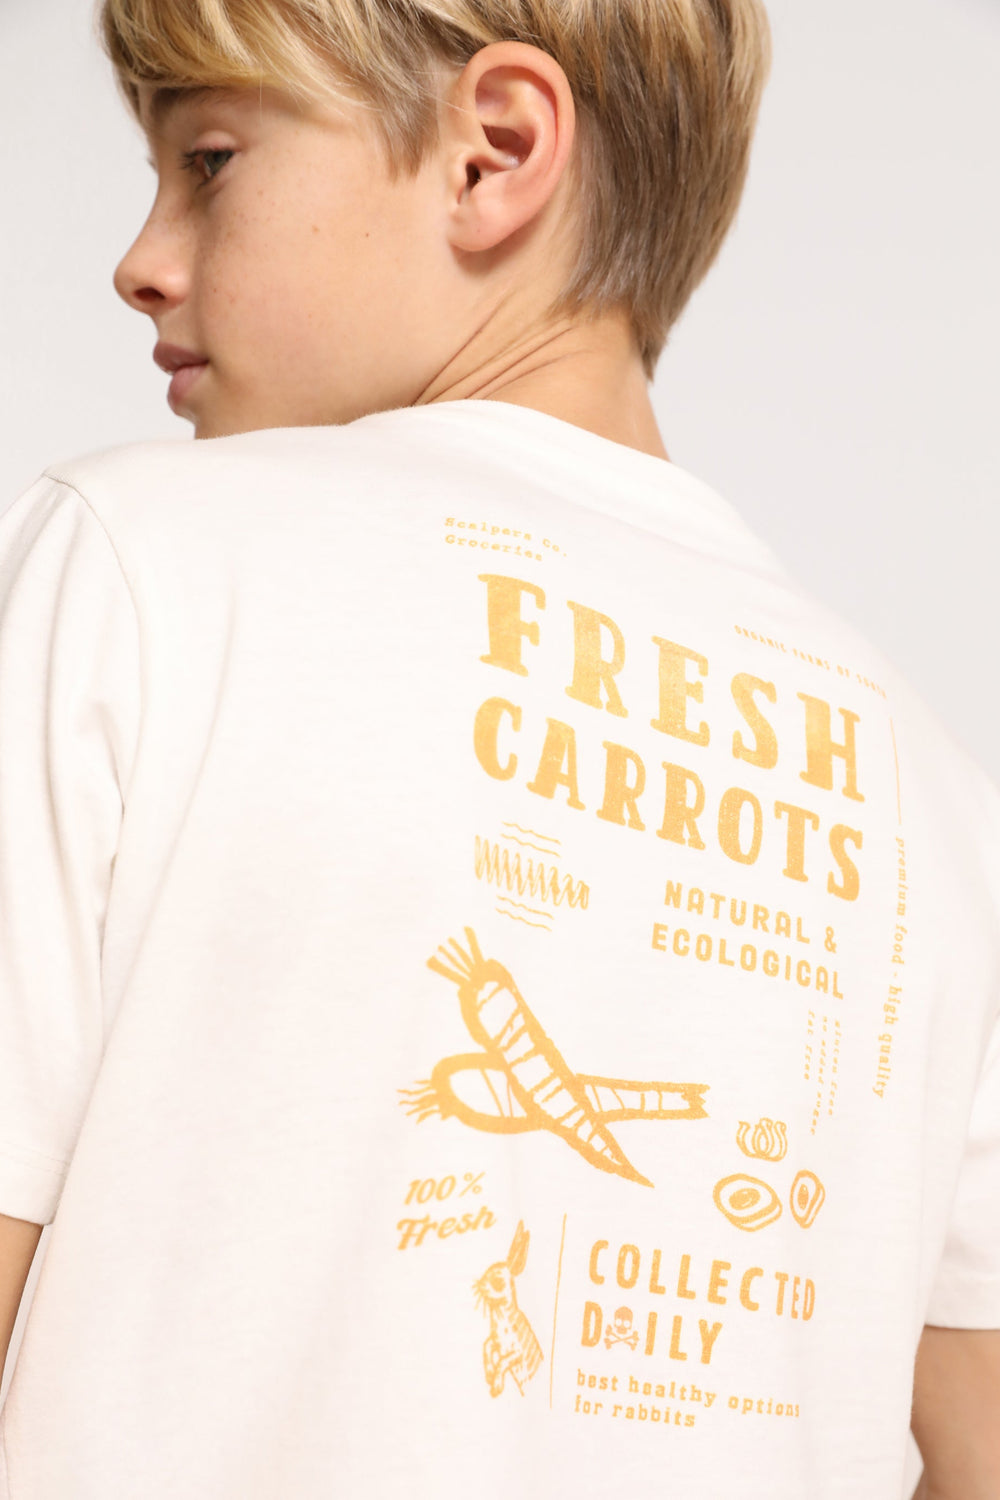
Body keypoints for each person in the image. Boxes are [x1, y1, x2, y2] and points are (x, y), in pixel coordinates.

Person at [0, 0, 996, 1494]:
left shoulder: (139, 565)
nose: (141, 258)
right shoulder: (928, 789)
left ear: (496, 151)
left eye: (208, 161)